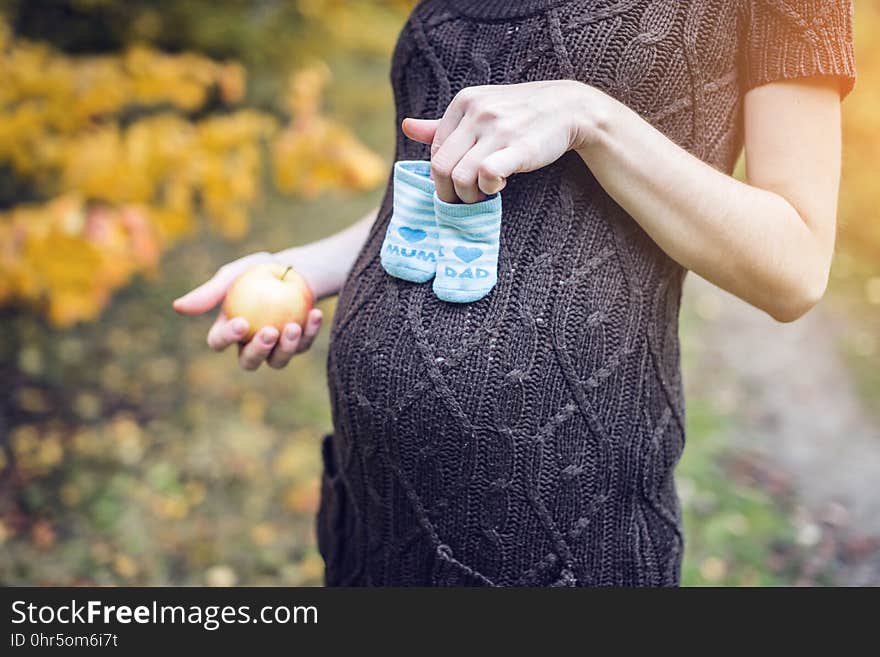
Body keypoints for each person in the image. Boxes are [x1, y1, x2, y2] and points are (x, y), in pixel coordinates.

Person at [173, 0, 855, 586]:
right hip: (374, 506)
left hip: (559, 533)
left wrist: (590, 116)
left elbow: (794, 267)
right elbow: (434, 198)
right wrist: (301, 267)